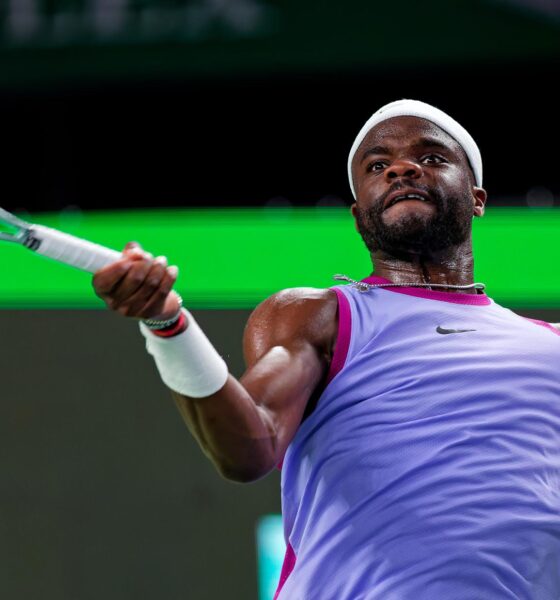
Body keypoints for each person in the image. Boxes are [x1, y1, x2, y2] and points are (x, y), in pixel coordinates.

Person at [93, 99, 560, 599]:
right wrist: (168, 323)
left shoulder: (549, 343)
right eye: (379, 166)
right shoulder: (321, 316)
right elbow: (248, 448)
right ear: (360, 216)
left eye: (431, 158)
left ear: (477, 197)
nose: (403, 168)